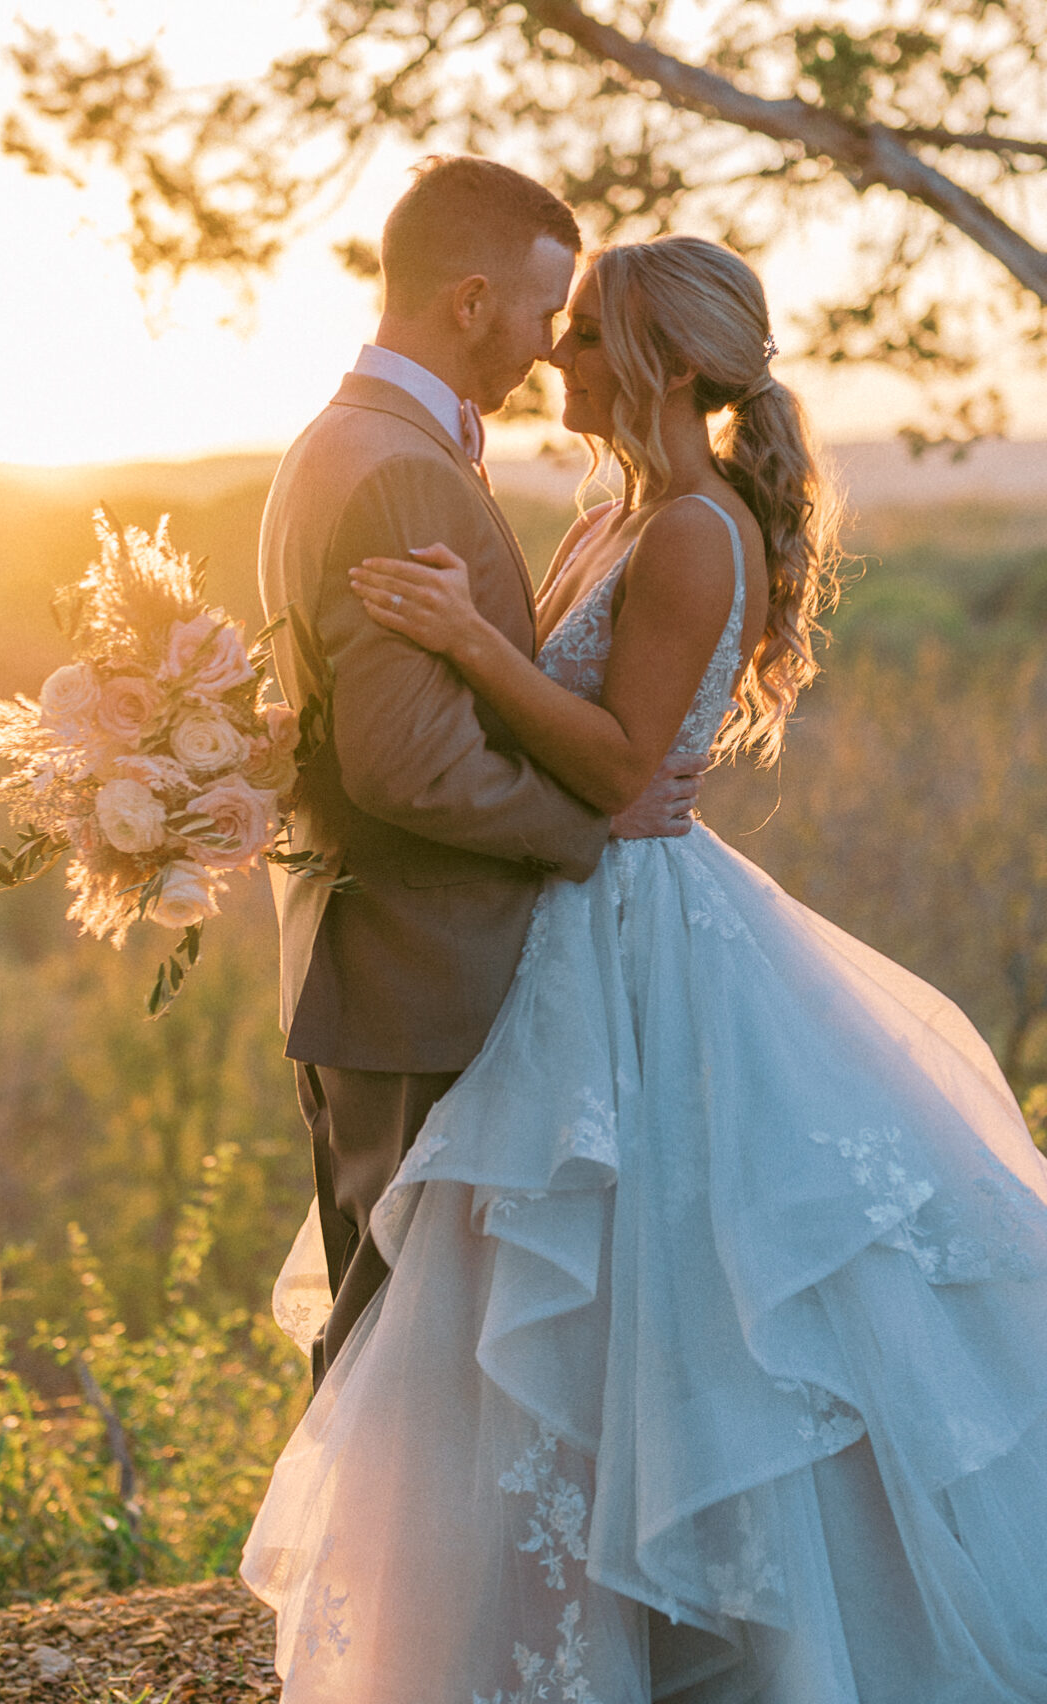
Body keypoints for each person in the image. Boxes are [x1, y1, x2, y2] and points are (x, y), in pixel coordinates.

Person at [242, 234, 1047, 1703]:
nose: (557, 357)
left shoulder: (698, 531)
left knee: (707, 1302)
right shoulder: (612, 516)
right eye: (563, 328)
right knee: (588, 1315)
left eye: (586, 337)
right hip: (580, 936)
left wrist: (469, 636)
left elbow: (623, 764)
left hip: (648, 940)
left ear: (669, 365)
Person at [256, 157, 704, 1391]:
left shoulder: (341, 440)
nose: (550, 352)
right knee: (405, 1350)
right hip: (421, 965)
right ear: (467, 302)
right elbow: (409, 764)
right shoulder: (399, 464)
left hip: (377, 961)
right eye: (542, 318)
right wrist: (593, 824)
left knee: (404, 1335)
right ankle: (372, 1589)